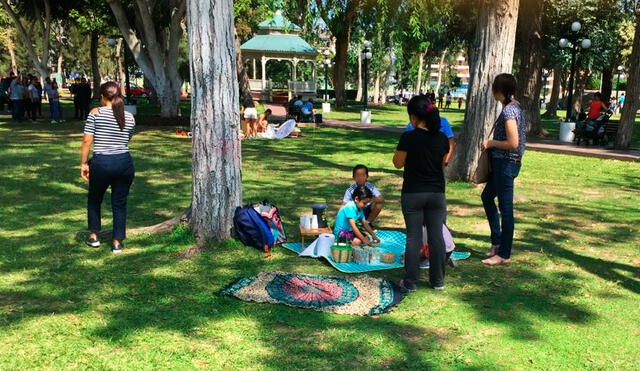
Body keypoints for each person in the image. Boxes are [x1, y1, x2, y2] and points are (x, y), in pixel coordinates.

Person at [393, 95, 449, 291]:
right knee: (436, 236)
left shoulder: (409, 137)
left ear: (414, 117)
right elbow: (441, 165)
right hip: (436, 193)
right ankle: (438, 281)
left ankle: (410, 282)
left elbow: (397, 163)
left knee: (413, 236)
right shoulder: (442, 138)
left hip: (413, 193)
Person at [81, 81, 136, 254]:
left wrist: (83, 163)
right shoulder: (129, 116)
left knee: (95, 199)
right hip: (124, 162)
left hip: (102, 163)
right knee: (119, 203)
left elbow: (87, 140)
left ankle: (94, 235)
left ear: (102, 96)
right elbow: (127, 138)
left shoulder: (95, 113)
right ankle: (117, 241)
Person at [481, 73, 526, 266]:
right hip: (504, 163)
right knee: (487, 197)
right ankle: (497, 242)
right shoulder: (514, 107)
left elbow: (513, 143)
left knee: (506, 209)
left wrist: (491, 143)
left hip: (506, 163)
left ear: (499, 91)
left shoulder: (509, 111)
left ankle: (504, 253)